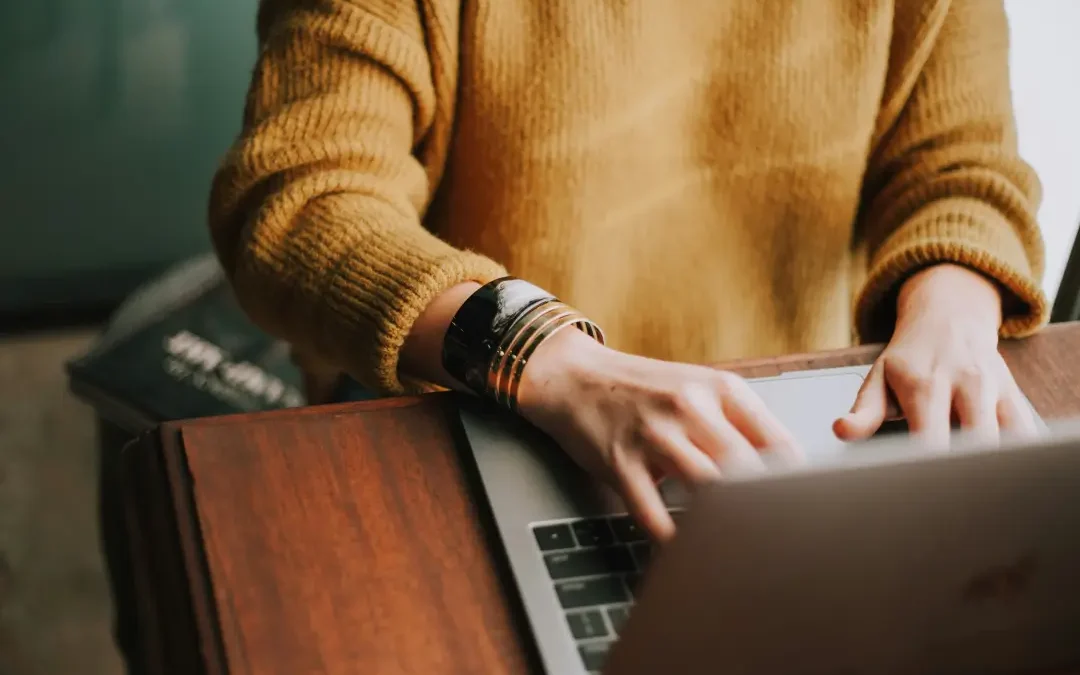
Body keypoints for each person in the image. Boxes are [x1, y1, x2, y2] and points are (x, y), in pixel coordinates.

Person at [208, 0, 1047, 542]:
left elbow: (960, 165)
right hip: (472, 416)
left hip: (783, 438)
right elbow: (302, 199)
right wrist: (553, 358)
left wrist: (952, 309)